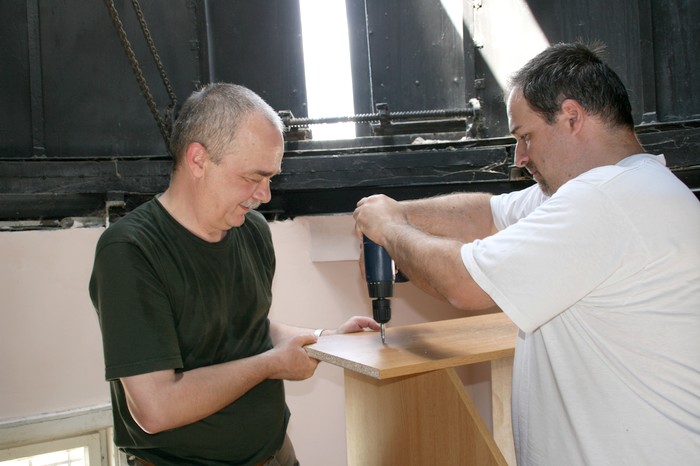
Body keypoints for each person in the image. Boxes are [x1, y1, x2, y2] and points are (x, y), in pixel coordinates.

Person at [353, 42, 700, 465]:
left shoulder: (606, 199)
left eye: (526, 137)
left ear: (571, 117)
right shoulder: (625, 186)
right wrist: (392, 212)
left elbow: (464, 285)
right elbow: (487, 215)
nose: (520, 158)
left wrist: (390, 230)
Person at [89, 83, 379, 466]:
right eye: (253, 177)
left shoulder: (252, 230)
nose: (265, 195)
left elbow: (247, 329)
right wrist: (271, 364)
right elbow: (155, 409)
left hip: (275, 454)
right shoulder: (130, 250)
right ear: (198, 160)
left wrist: (327, 339)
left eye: (271, 178)